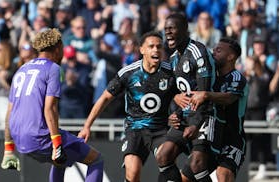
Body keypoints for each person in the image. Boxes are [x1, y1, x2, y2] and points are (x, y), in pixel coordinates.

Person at [0, 28, 103, 182]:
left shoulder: (21, 69)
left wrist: (8, 149)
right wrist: (57, 143)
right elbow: (50, 108)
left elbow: (9, 111)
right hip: (39, 136)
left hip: (19, 138)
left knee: (61, 161)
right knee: (96, 159)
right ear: (57, 48)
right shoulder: (53, 68)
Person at [78, 31, 179, 182]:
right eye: (151, 46)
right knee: (132, 173)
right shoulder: (129, 73)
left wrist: (178, 114)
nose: (156, 50)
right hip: (135, 129)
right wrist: (87, 126)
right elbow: (105, 98)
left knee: (167, 161)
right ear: (142, 49)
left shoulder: (171, 72)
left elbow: (184, 96)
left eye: (159, 47)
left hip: (161, 130)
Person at [155, 13, 215, 182]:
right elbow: (175, 93)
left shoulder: (198, 52)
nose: (168, 33)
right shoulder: (174, 58)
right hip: (185, 117)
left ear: (184, 29)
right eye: (166, 29)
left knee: (197, 164)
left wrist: (196, 123)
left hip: (206, 116)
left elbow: (204, 93)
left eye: (172, 28)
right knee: (163, 156)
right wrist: (174, 114)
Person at [186, 37, 249, 181]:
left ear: (231, 56)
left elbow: (229, 98)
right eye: (214, 49)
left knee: (223, 174)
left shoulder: (237, 78)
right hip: (212, 136)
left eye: (219, 50)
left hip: (233, 140)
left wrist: (206, 95)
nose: (213, 53)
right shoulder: (210, 78)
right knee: (185, 177)